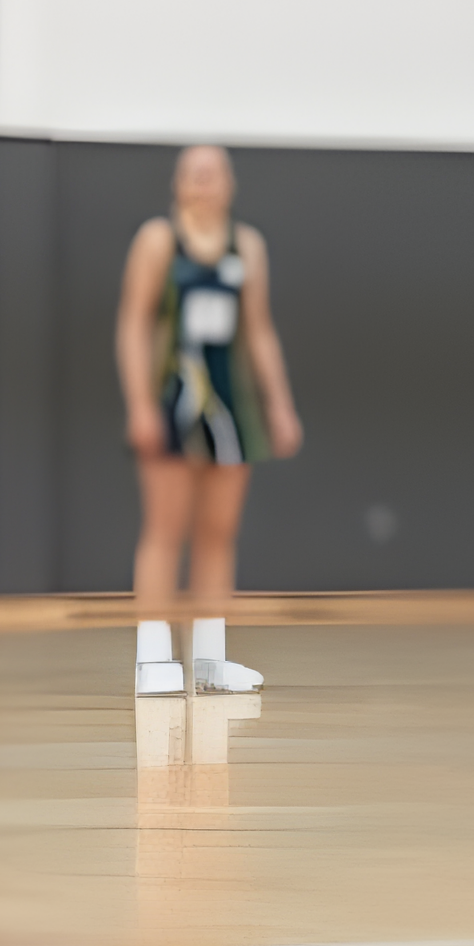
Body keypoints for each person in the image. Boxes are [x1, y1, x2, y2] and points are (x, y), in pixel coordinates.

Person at [116, 144, 302, 695]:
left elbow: (260, 330)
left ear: (229, 182)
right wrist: (140, 405)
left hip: (227, 403)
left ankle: (209, 660)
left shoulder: (247, 246)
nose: (203, 181)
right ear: (178, 183)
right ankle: (152, 658)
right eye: (193, 172)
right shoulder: (158, 240)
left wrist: (279, 404)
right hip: (174, 398)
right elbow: (133, 324)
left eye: (213, 172)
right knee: (165, 528)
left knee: (219, 532)